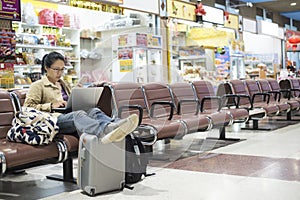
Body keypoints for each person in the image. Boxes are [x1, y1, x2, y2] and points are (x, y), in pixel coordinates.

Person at [23, 51, 138, 144]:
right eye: (56, 69)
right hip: (53, 121)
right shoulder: (37, 86)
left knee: (94, 110)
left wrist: (77, 93)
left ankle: (115, 125)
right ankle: (105, 131)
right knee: (78, 115)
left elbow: (69, 103)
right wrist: (51, 105)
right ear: (46, 68)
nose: (60, 73)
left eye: (62, 69)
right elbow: (27, 109)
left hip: (67, 115)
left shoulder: (64, 84)